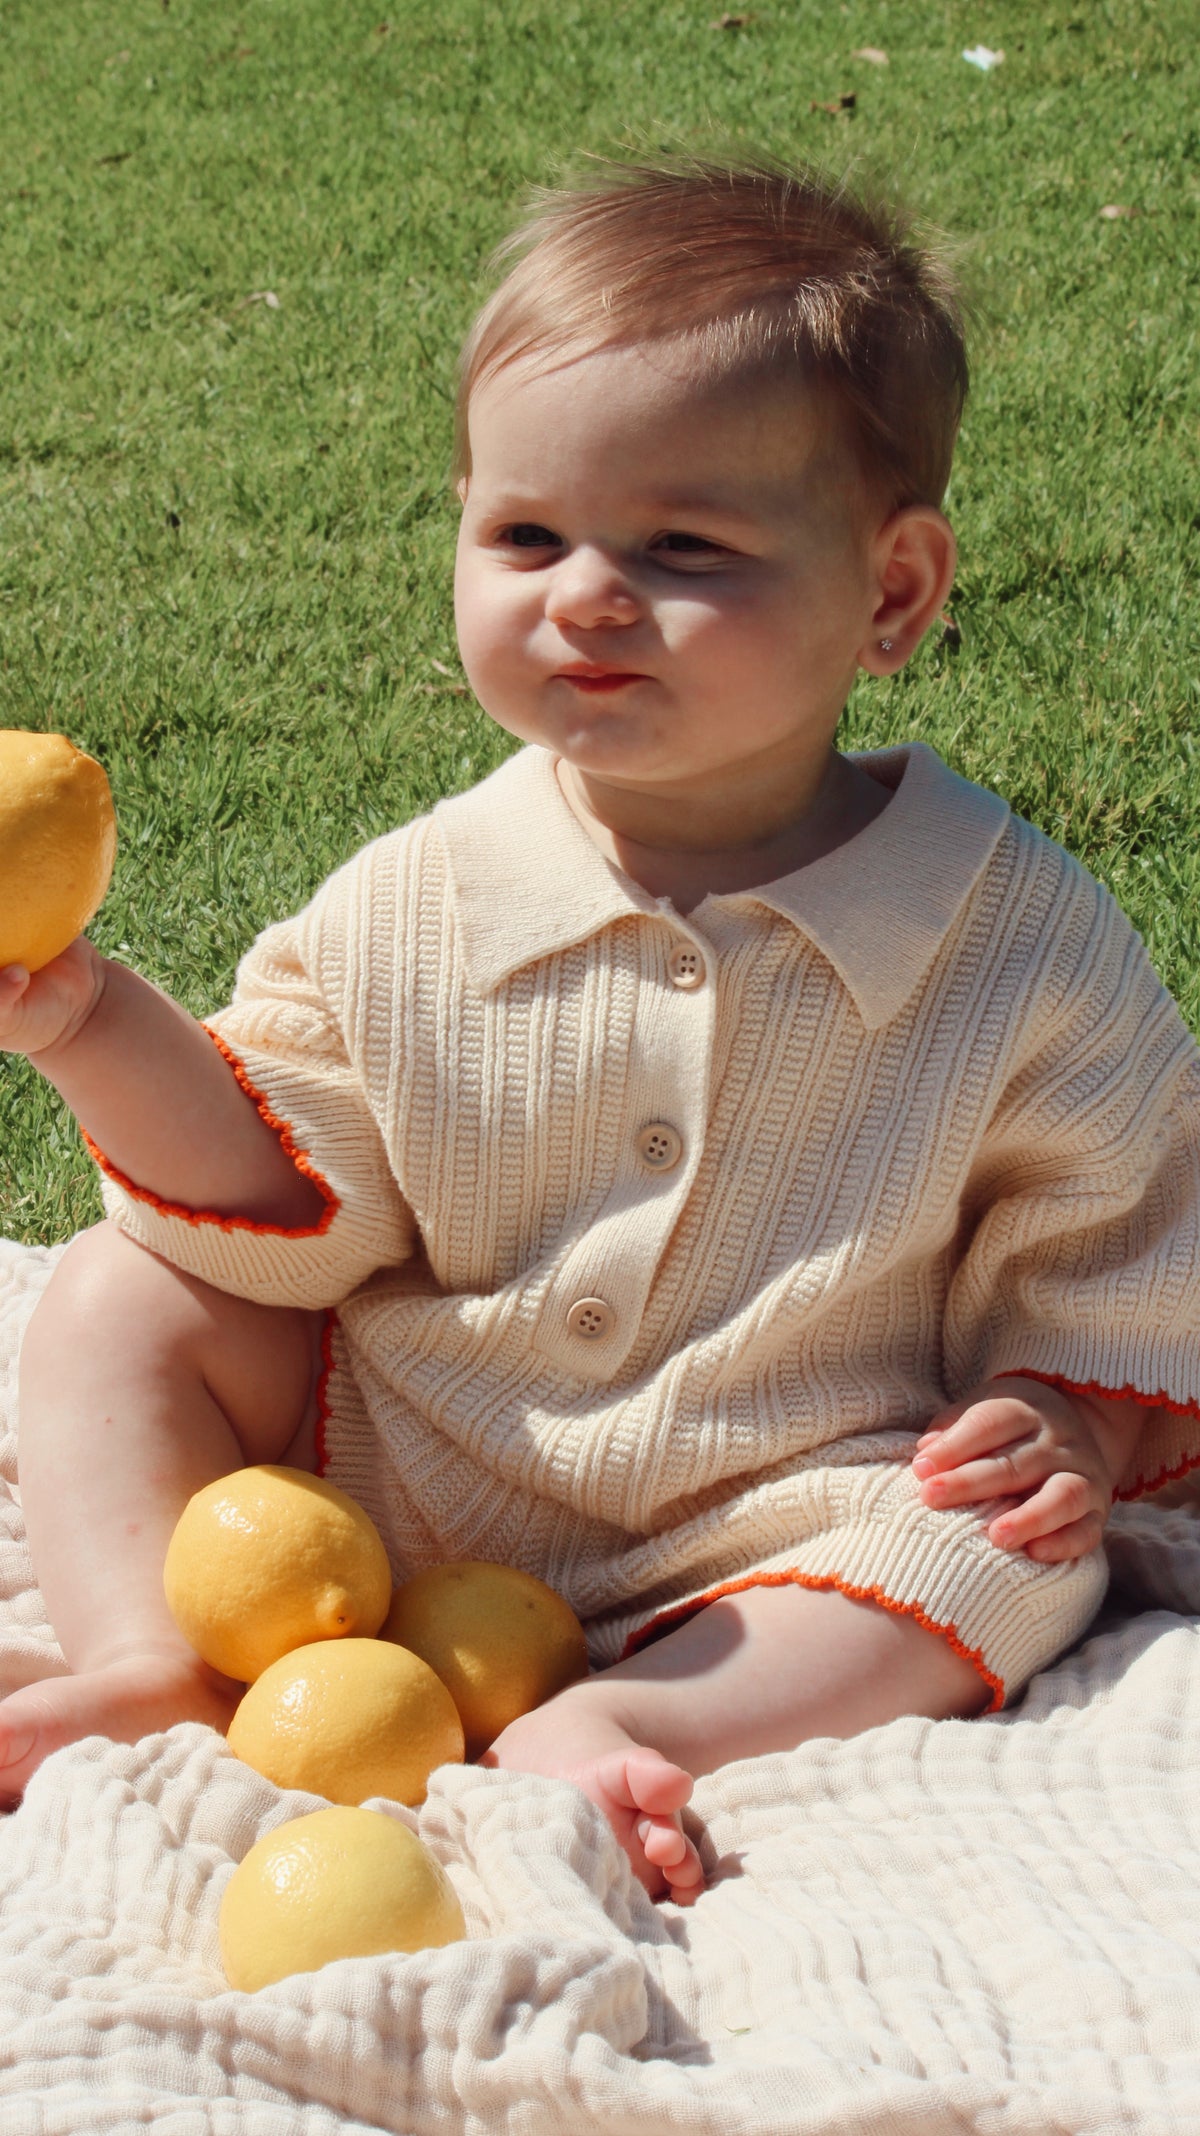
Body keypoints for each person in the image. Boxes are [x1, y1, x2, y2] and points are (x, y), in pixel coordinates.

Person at [2, 158, 1198, 1903]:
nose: (584, 595)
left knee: (1010, 1557)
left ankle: (624, 1722)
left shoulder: (1017, 943)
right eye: (525, 536)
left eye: (684, 548)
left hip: (788, 1517)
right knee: (118, 1300)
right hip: (397, 1463)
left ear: (893, 592)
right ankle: (164, 1651)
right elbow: (272, 1188)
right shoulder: (425, 897)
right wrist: (91, 1023)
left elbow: (1121, 1235)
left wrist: (1063, 1424)